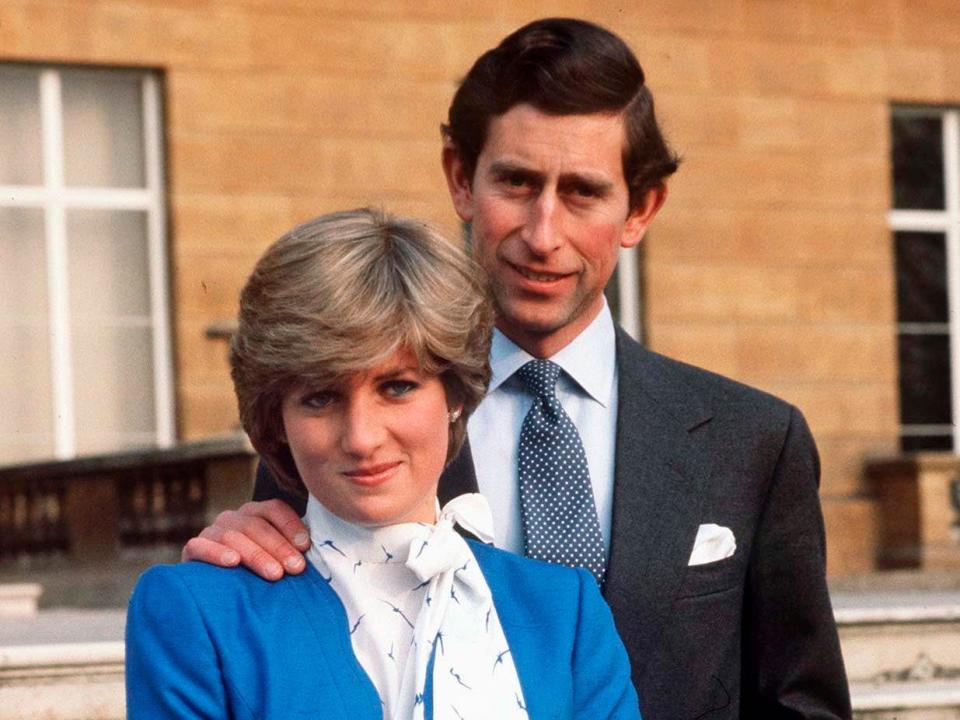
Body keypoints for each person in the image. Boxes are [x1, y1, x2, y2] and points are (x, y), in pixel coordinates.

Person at [183, 18, 852, 720]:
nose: (542, 235)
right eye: (517, 182)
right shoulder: (353, 421)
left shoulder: (754, 441)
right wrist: (249, 547)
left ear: (641, 207)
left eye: (583, 193)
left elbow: (802, 708)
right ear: (460, 178)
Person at [126, 208, 640, 719]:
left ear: (455, 393)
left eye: (397, 388)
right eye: (320, 398)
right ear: (277, 417)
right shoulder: (198, 611)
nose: (362, 437)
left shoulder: (563, 612)